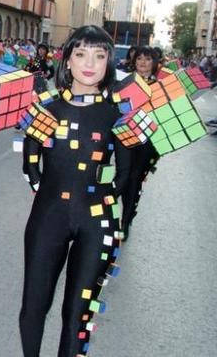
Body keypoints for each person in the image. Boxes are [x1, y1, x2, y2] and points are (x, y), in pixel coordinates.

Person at [19, 25, 130, 357]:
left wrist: (98, 198)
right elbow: (31, 163)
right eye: (81, 53)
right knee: (34, 306)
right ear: (67, 60)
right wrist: (51, 192)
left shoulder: (119, 111)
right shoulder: (47, 108)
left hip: (98, 222)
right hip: (49, 216)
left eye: (99, 55)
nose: (90, 63)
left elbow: (124, 174)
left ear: (109, 61)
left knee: (79, 315)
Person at [120, 46, 160, 239]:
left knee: (135, 178)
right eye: (139, 59)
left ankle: (125, 221)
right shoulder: (124, 82)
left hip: (148, 141)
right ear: (134, 62)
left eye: (148, 59)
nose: (143, 63)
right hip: (124, 137)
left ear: (154, 63)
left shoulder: (160, 87)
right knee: (123, 176)